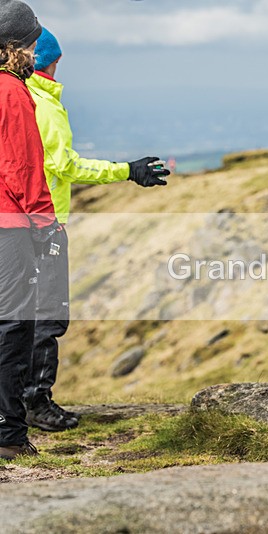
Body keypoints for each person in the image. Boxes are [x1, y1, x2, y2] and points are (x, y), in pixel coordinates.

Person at [22, 27, 170, 432]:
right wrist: (127, 171)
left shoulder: (16, 96)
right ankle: (36, 402)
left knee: (20, 316)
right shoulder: (43, 104)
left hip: (18, 223)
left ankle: (16, 402)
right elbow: (65, 165)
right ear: (51, 61)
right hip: (44, 224)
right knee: (48, 317)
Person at [0, 0, 56, 460]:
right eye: (32, 44)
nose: (36, 53)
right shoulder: (12, 93)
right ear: (14, 46)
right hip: (11, 226)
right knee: (14, 327)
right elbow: (23, 169)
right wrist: (46, 226)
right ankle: (9, 435)